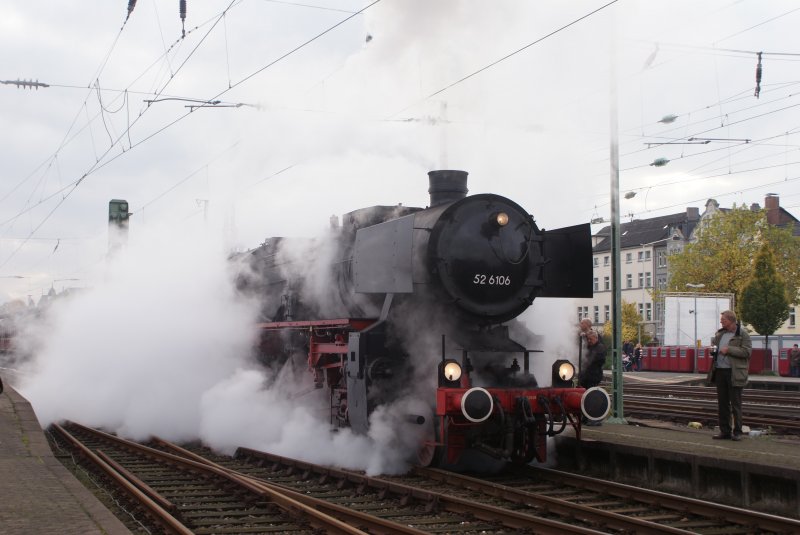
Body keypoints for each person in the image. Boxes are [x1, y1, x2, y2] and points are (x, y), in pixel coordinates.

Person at [710, 310, 752, 441]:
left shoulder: (743, 334)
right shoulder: (720, 334)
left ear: (731, 320)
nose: (721, 322)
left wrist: (729, 350)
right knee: (722, 404)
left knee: (736, 404)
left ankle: (737, 432)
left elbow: (747, 352)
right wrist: (714, 351)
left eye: (723, 320)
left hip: (734, 372)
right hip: (720, 371)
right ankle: (725, 431)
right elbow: (717, 348)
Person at [579, 330, 606, 426]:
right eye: (588, 339)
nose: (589, 341)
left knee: (591, 398)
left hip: (593, 376)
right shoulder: (589, 347)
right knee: (584, 397)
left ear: (596, 338)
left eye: (590, 339)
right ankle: (585, 417)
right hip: (585, 376)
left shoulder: (599, 348)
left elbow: (592, 360)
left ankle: (593, 418)